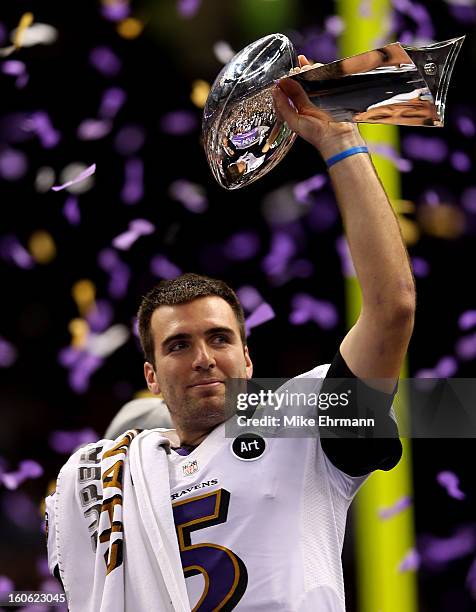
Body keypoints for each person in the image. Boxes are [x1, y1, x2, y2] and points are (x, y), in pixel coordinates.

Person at [45, 55, 416, 611]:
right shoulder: (103, 478)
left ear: (248, 359)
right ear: (150, 376)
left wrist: (340, 138)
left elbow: (392, 308)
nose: (202, 358)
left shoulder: (302, 429)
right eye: (178, 345)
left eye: (219, 339)